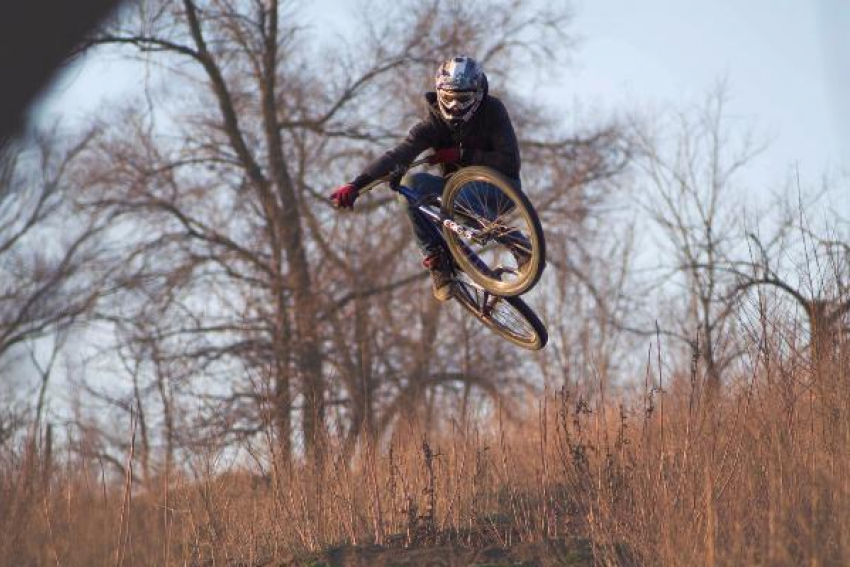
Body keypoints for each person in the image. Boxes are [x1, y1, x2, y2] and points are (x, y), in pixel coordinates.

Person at [330, 56, 522, 301]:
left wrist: (463, 154)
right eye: (449, 97)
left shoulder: (493, 111)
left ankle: (518, 244)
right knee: (411, 186)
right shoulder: (433, 124)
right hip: (456, 192)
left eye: (462, 99)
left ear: (477, 94)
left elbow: (510, 162)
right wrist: (355, 184)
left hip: (500, 188)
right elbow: (399, 153)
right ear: (439, 93)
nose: (454, 106)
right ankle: (437, 261)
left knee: (458, 196)